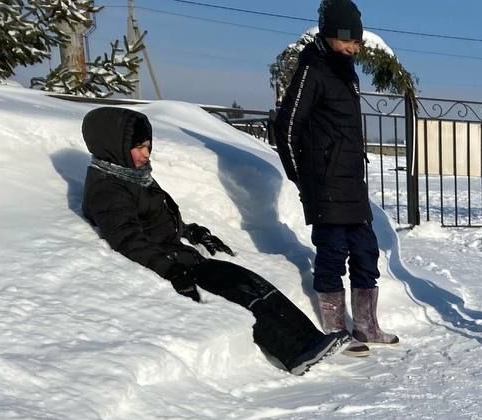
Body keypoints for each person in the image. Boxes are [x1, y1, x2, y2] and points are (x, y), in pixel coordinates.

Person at [81, 106, 352, 376]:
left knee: (255, 284)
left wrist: (192, 231)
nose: (146, 154)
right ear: (113, 145)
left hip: (182, 255)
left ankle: (311, 340)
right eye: (138, 147)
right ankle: (295, 353)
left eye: (147, 146)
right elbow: (127, 239)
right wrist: (169, 269)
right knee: (243, 295)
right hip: (172, 264)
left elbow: (157, 219)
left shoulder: (133, 176)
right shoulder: (108, 188)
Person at [275, 0, 398, 348]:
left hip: (351, 182)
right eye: (349, 42)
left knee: (366, 251)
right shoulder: (312, 70)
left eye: (357, 43)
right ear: (331, 35)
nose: (354, 48)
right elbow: (286, 128)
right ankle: (335, 329)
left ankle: (366, 325)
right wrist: (302, 177)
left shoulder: (347, 72)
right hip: (325, 183)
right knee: (331, 253)